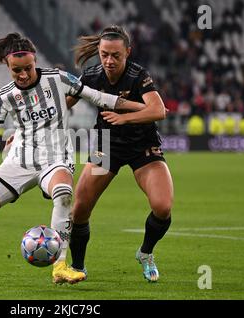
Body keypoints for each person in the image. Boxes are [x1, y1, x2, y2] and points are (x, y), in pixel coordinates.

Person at [0, 32, 145, 288]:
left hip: (55, 159)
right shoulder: (5, 96)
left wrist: (141, 108)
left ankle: (60, 266)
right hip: (19, 161)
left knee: (64, 193)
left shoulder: (58, 79)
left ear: (34, 61)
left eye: (28, 68)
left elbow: (100, 98)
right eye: (16, 71)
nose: (23, 75)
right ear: (7, 65)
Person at [64, 25, 173, 283]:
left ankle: (145, 253)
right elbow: (63, 105)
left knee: (163, 207)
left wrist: (126, 119)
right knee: (79, 210)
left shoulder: (138, 76)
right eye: (104, 55)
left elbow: (159, 111)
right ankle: (78, 266)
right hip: (105, 145)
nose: (109, 61)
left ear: (128, 52)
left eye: (116, 55)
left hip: (142, 144)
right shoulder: (91, 75)